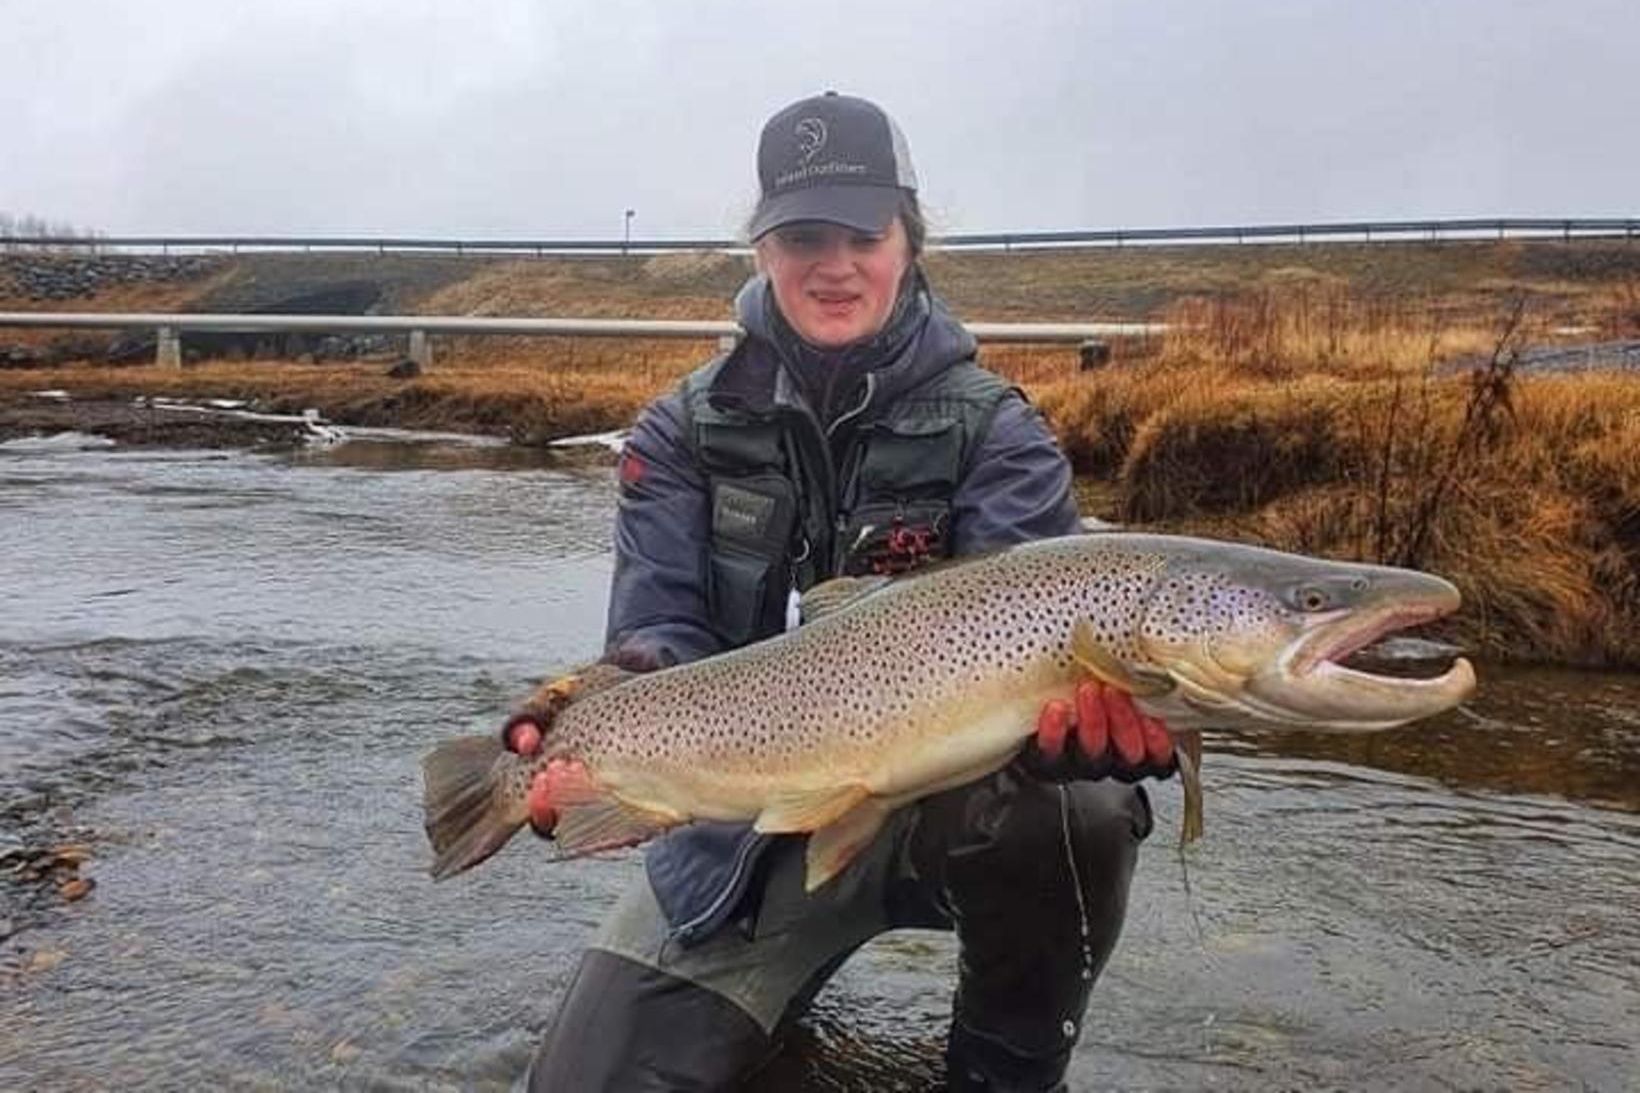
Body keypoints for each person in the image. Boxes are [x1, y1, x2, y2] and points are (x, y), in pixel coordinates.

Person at [503, 91, 1177, 1092]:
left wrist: (1079, 734)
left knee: (1076, 805)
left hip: (943, 814)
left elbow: (1051, 623)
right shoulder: (675, 435)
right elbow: (657, 636)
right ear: (761, 250)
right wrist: (600, 723)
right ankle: (773, 1027)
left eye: (861, 232)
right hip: (742, 832)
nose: (834, 263)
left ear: (908, 238)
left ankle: (1004, 1076)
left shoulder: (996, 434)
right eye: (801, 235)